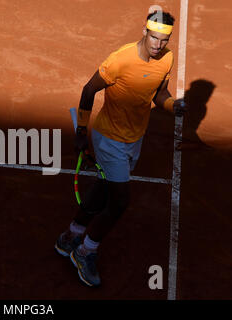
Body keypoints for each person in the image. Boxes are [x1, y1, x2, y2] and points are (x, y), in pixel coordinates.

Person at [54, 10, 187, 287]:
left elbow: (159, 93)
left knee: (103, 189)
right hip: (109, 139)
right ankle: (85, 251)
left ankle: (72, 234)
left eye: (164, 40)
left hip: (134, 138)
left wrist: (173, 105)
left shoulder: (167, 58)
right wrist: (81, 131)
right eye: (154, 38)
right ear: (144, 31)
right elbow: (89, 90)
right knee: (120, 201)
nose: (158, 45)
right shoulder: (119, 61)